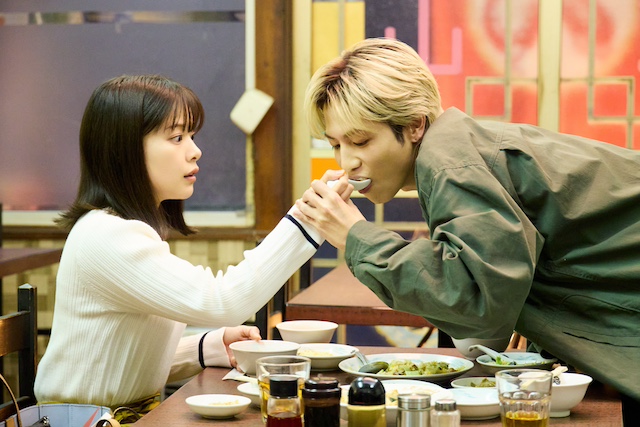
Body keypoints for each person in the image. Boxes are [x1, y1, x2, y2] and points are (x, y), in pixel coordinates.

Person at [293, 37, 640, 420]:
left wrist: (355, 237)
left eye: (360, 141)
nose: (347, 161)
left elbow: (477, 297)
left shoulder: (451, 163)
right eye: (335, 144)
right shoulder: (460, 147)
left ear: (414, 125)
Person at [33, 75, 352, 422]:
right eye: (176, 137)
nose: (195, 150)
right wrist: (308, 218)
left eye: (191, 136)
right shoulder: (108, 236)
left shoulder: (122, 230)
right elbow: (222, 301)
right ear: (125, 151)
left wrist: (207, 347)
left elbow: (113, 362)